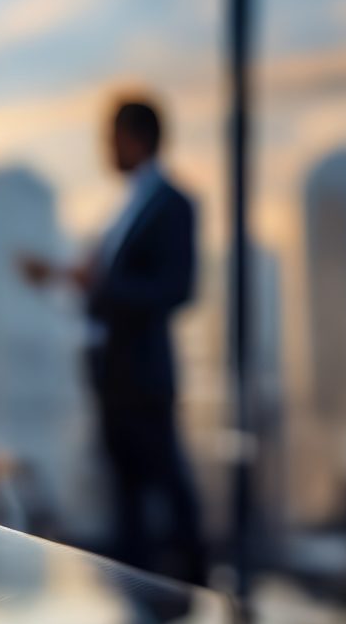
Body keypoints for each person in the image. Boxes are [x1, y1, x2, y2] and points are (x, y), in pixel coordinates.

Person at [22, 97, 207, 585]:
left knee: (167, 485)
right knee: (126, 496)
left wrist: (101, 284)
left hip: (143, 375)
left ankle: (201, 587)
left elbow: (177, 288)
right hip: (112, 374)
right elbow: (106, 284)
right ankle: (137, 590)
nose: (105, 149)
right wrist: (64, 276)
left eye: (111, 137)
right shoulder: (125, 206)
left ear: (136, 137)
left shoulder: (172, 204)